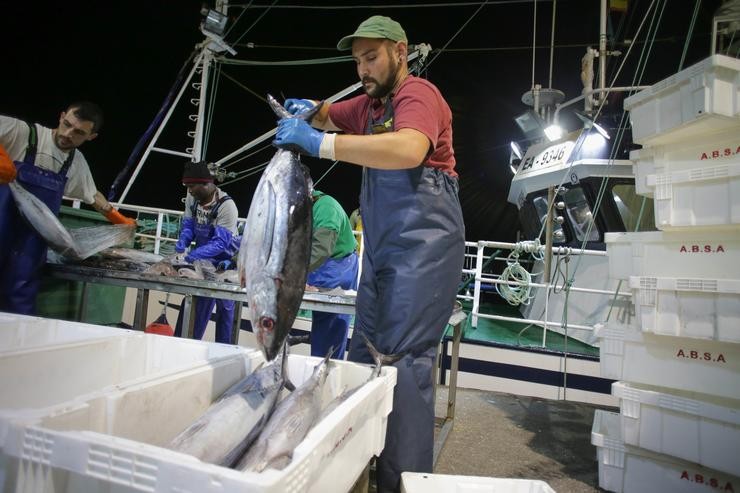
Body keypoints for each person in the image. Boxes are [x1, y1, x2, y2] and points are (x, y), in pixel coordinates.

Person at [273, 15, 465, 492]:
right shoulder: (369, 106)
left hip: (425, 247)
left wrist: (321, 143)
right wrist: (310, 113)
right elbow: (325, 114)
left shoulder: (417, 95)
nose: (363, 68)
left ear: (400, 52)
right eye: (358, 60)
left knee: (404, 361)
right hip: (379, 251)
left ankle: (401, 484)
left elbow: (408, 150)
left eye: (372, 56)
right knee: (364, 354)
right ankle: (352, 473)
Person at [0, 102, 136, 315]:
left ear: (91, 137)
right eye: (67, 124)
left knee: (20, 298)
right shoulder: (24, 132)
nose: (68, 133)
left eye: (79, 132)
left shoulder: (75, 162)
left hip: (31, 245)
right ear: (61, 116)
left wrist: (118, 219)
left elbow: (92, 195)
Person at [173, 160, 239, 344]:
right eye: (187, 186)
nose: (189, 190)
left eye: (192, 186)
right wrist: (183, 241)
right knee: (197, 301)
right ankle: (184, 343)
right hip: (202, 258)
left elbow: (220, 243)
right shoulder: (192, 199)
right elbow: (188, 225)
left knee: (225, 308)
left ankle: (224, 349)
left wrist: (192, 255)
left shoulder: (227, 206)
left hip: (223, 262)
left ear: (206, 183)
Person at [306, 189, 359, 360]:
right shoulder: (305, 209)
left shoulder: (326, 208)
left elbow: (321, 249)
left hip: (338, 266)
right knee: (324, 325)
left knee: (331, 324)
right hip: (322, 265)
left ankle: (325, 372)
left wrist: (293, 274)